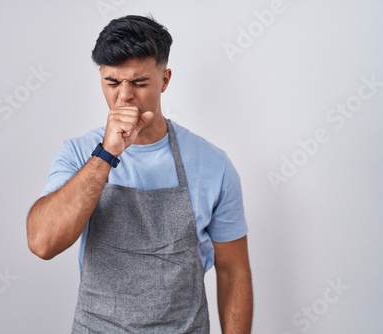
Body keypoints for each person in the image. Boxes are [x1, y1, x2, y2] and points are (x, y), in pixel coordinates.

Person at [27, 15, 253, 333]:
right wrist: (106, 154)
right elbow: (42, 243)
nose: (124, 97)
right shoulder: (79, 154)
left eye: (139, 83)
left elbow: (233, 271)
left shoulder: (212, 164)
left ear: (164, 80)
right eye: (112, 82)